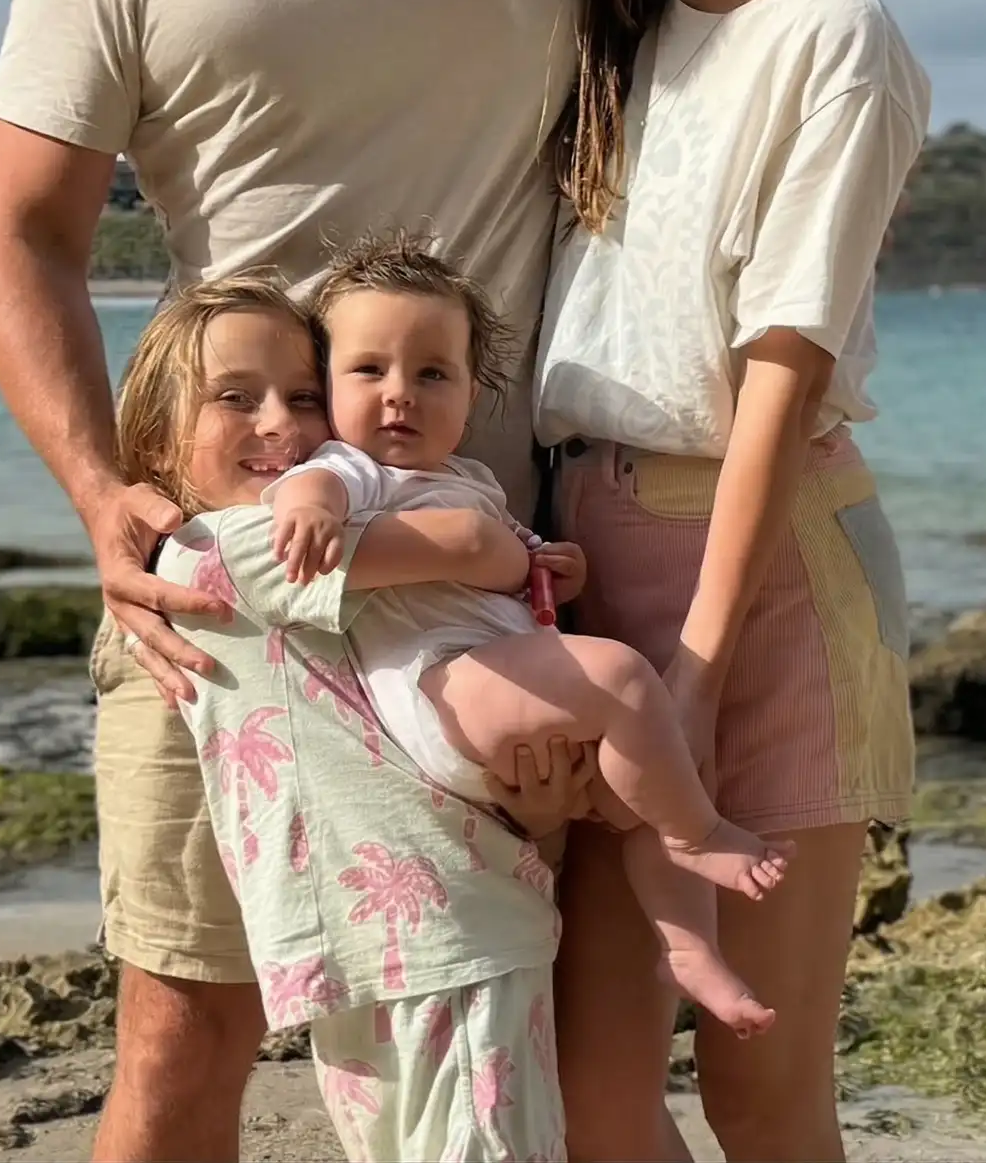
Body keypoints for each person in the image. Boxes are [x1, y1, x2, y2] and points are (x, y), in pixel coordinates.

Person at [0, 0, 596, 1163]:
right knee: (188, 1031)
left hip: (481, 570)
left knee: (499, 1038)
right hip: (224, 579)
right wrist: (102, 495)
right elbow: (19, 233)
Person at [535, 0, 929, 1162]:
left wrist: (691, 662)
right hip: (586, 564)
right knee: (591, 1091)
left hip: (759, 585)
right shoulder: (617, 16)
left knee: (763, 1087)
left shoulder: (832, 30)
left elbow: (785, 363)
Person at [268, 230, 791, 1034]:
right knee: (622, 680)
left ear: (474, 395)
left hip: (496, 681)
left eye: (432, 373)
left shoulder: (469, 478)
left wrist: (552, 568)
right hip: (439, 684)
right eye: (369, 370)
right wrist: (307, 507)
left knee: (644, 780)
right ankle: (703, 832)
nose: (400, 393)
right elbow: (312, 490)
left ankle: (689, 948)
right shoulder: (353, 468)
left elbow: (513, 566)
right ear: (326, 385)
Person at [114, 276, 567, 1163]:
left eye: (305, 396)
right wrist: (512, 555)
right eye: (234, 398)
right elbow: (475, 547)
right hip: (427, 924)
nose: (280, 422)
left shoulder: (280, 543)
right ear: (161, 438)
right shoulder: (234, 549)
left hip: (394, 930)